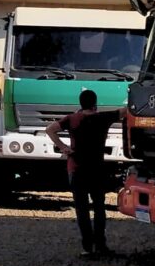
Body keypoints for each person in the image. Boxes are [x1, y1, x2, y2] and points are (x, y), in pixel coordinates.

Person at [45, 90, 126, 257]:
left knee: (82, 210)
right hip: (96, 169)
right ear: (95, 103)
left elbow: (50, 129)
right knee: (99, 208)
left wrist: (63, 147)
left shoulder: (72, 119)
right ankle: (101, 245)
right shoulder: (103, 117)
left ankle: (87, 247)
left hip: (76, 169)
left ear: (80, 103)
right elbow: (125, 111)